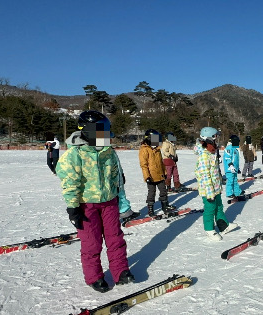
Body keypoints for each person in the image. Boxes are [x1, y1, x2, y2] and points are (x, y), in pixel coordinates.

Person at [56, 110, 134, 293]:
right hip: (86, 205)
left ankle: (121, 271)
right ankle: (95, 277)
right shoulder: (74, 154)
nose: (105, 137)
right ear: (90, 131)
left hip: (109, 202)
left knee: (115, 238)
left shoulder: (109, 152)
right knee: (92, 242)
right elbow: (69, 183)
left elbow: (117, 179)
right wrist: (73, 208)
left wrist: (121, 201)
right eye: (102, 132)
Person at [195, 127, 238, 241]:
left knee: (219, 206)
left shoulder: (211, 151)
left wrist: (219, 184)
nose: (216, 139)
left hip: (215, 186)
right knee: (210, 208)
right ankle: (209, 229)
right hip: (208, 189)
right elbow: (205, 175)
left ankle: (223, 226)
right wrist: (210, 193)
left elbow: (214, 171)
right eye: (215, 137)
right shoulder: (204, 154)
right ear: (209, 138)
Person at [139, 129, 176, 217]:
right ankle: (151, 209)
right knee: (151, 193)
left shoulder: (158, 149)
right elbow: (143, 165)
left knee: (163, 191)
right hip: (151, 177)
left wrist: (165, 172)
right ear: (149, 139)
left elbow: (161, 163)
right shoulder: (144, 150)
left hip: (160, 175)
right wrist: (147, 177)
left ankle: (165, 206)